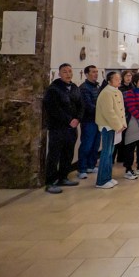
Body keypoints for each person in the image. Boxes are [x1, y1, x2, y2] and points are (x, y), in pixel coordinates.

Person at [42, 63, 83, 194]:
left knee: (68, 153)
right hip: (58, 128)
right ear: (59, 74)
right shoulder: (54, 89)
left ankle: (63, 177)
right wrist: (69, 120)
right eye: (65, 71)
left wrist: (78, 119)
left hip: (72, 128)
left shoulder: (75, 87)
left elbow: (81, 105)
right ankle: (50, 182)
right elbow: (53, 109)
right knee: (54, 155)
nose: (68, 74)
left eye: (70, 71)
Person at [94, 70, 126, 189]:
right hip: (108, 126)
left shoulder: (116, 91)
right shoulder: (106, 92)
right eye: (116, 79)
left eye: (119, 79)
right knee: (106, 153)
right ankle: (101, 180)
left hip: (115, 126)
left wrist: (122, 124)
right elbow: (109, 112)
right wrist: (118, 125)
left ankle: (107, 177)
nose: (119, 80)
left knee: (110, 153)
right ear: (109, 81)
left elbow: (120, 110)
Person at [77, 65, 100, 178]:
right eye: (93, 72)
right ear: (86, 74)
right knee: (87, 144)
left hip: (98, 120)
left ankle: (91, 165)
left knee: (95, 144)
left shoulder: (97, 86)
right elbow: (89, 106)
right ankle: (82, 168)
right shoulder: (84, 88)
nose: (96, 74)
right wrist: (102, 110)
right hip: (89, 120)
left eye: (96, 72)